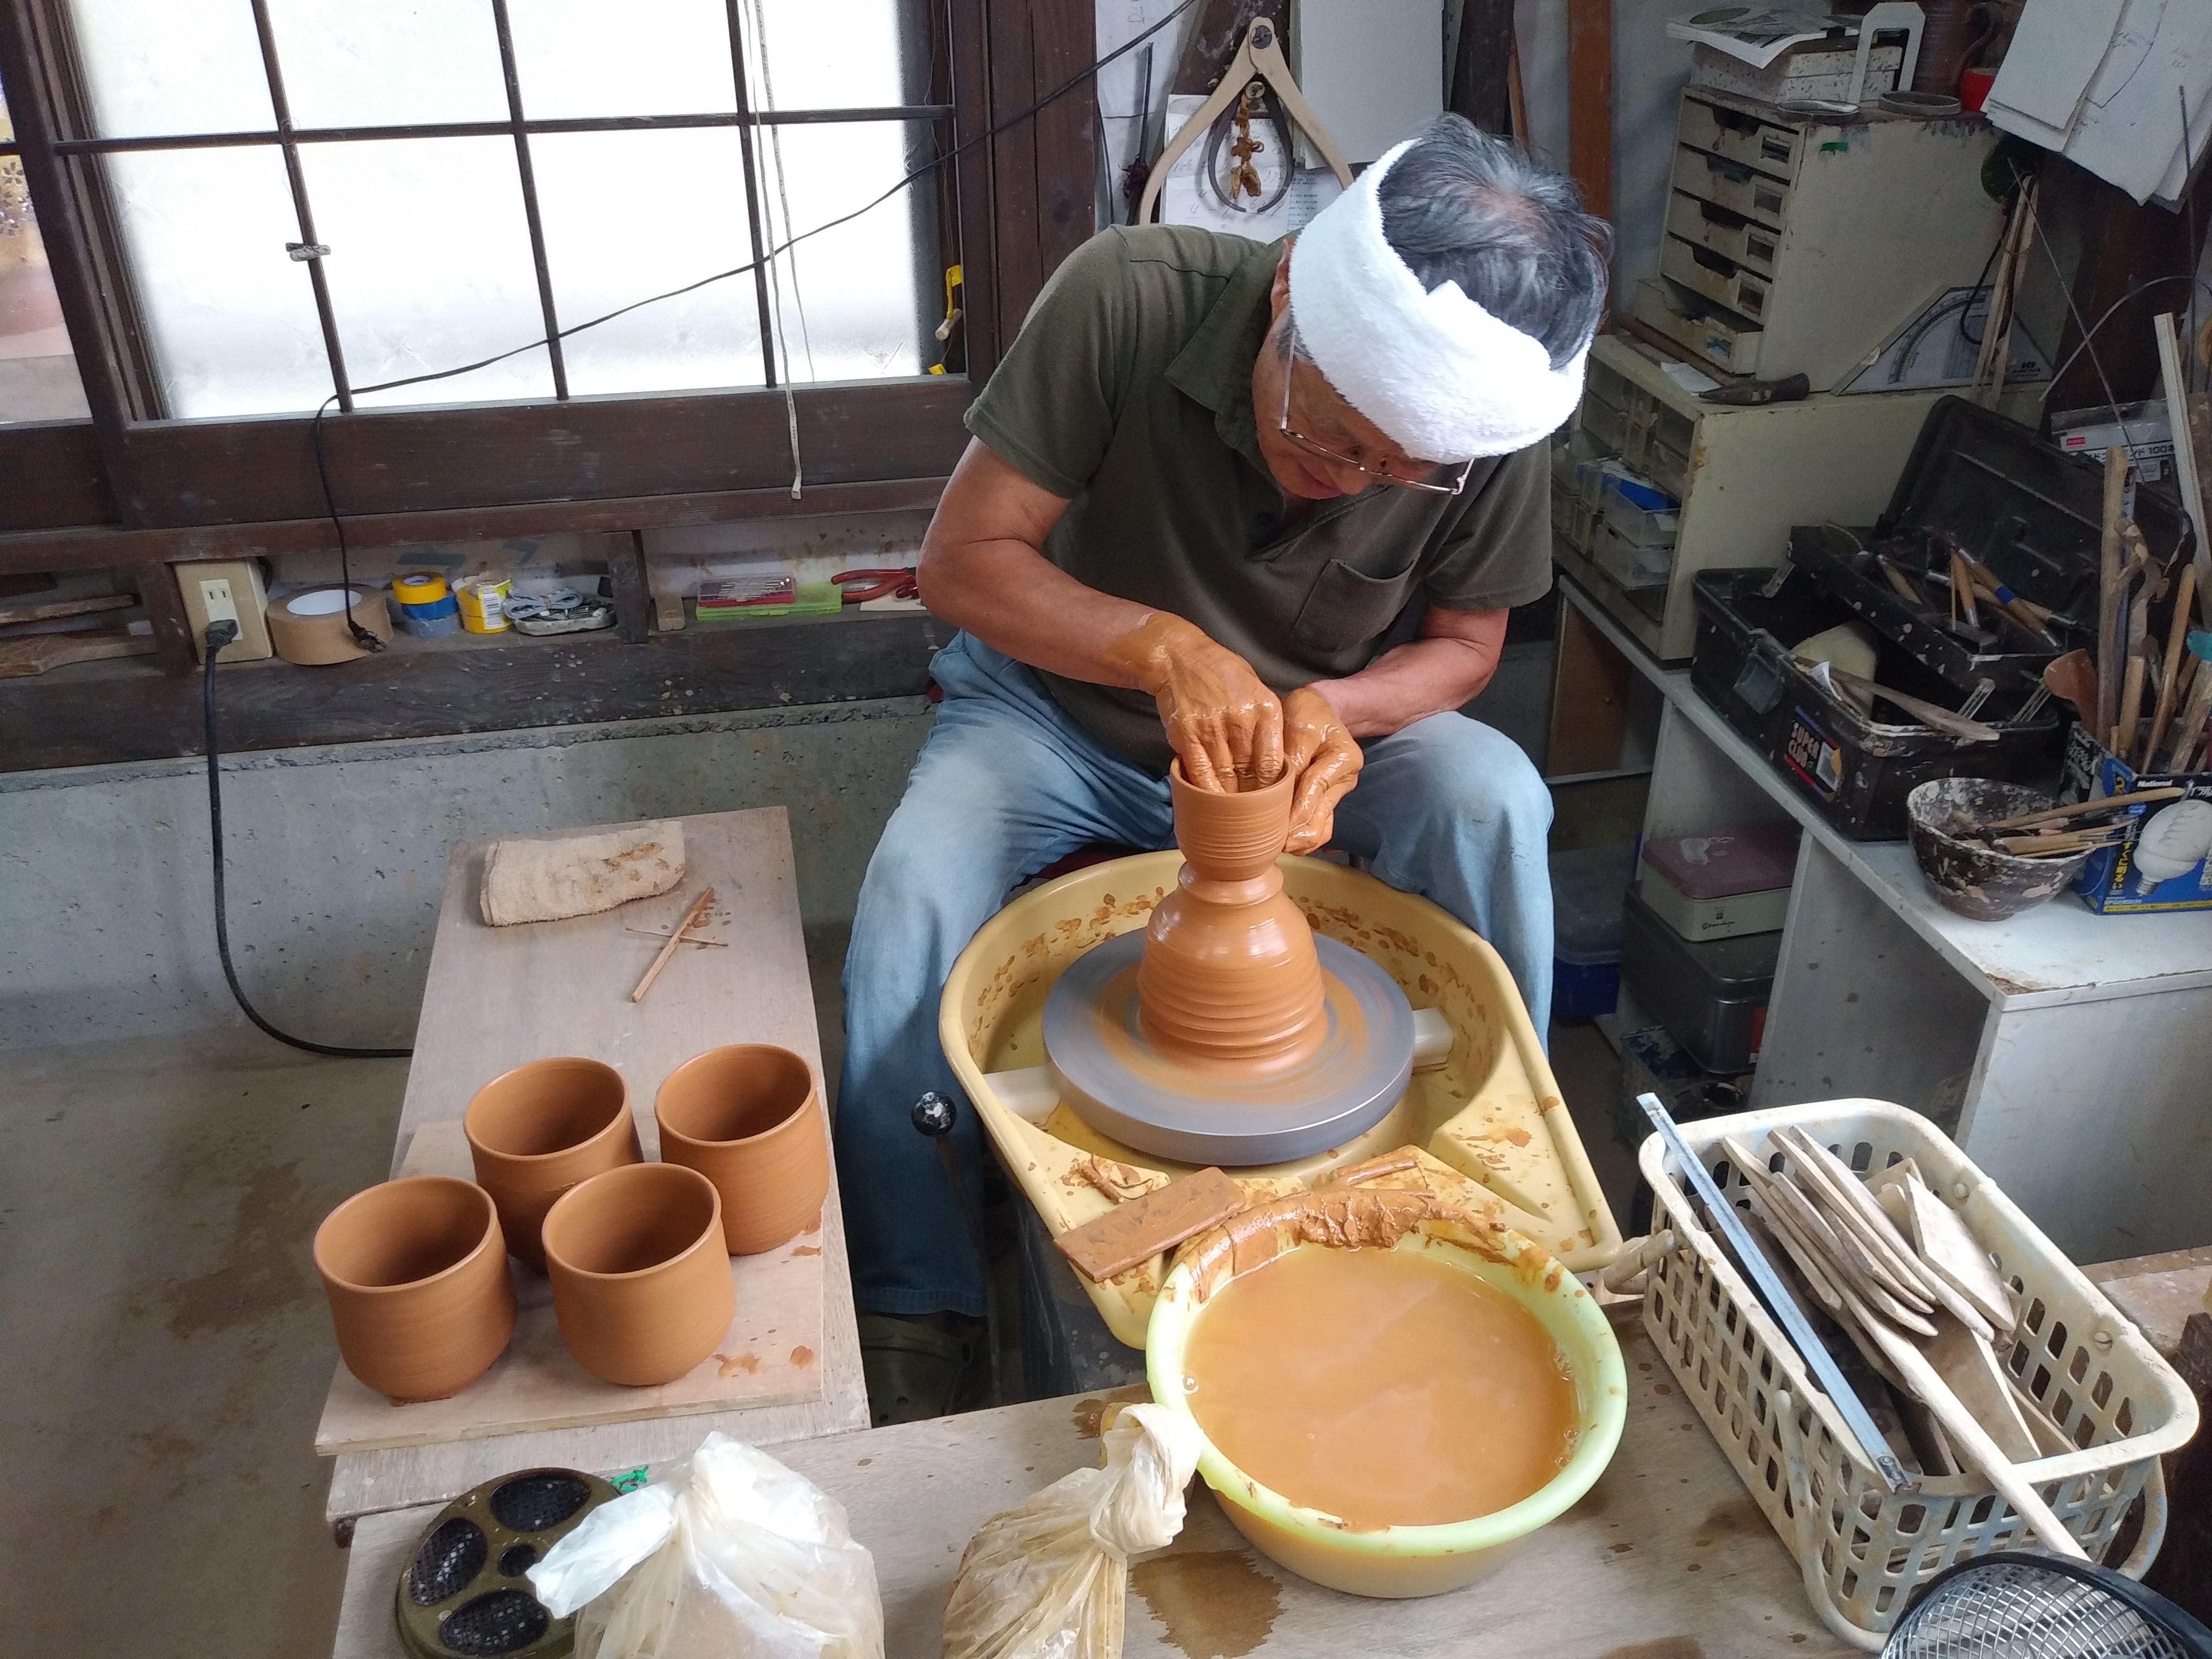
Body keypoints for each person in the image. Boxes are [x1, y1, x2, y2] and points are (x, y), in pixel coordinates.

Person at [836, 113, 1611, 1418]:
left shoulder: (1473, 433)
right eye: (1333, 435)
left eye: (1397, 472)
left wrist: (1344, 709)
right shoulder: (1127, 300)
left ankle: (1494, 1176)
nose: (1354, 480)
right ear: (1293, 291)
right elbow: (960, 566)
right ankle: (919, 1294)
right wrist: (1157, 647)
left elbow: (1469, 648)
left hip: (1316, 739)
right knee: (913, 893)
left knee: (1495, 797)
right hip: (1059, 720)